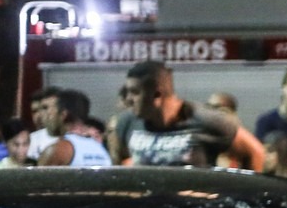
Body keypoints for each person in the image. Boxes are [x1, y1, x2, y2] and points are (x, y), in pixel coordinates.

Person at [108, 61, 264, 171]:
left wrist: (246, 200)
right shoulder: (126, 123)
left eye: (134, 92)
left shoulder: (206, 120)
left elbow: (255, 152)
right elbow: (120, 163)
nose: (128, 99)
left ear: (157, 94)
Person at [36, 89, 112, 167]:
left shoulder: (57, 151)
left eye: (53, 112)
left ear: (63, 115)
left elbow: (36, 178)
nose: (48, 117)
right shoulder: (102, 150)